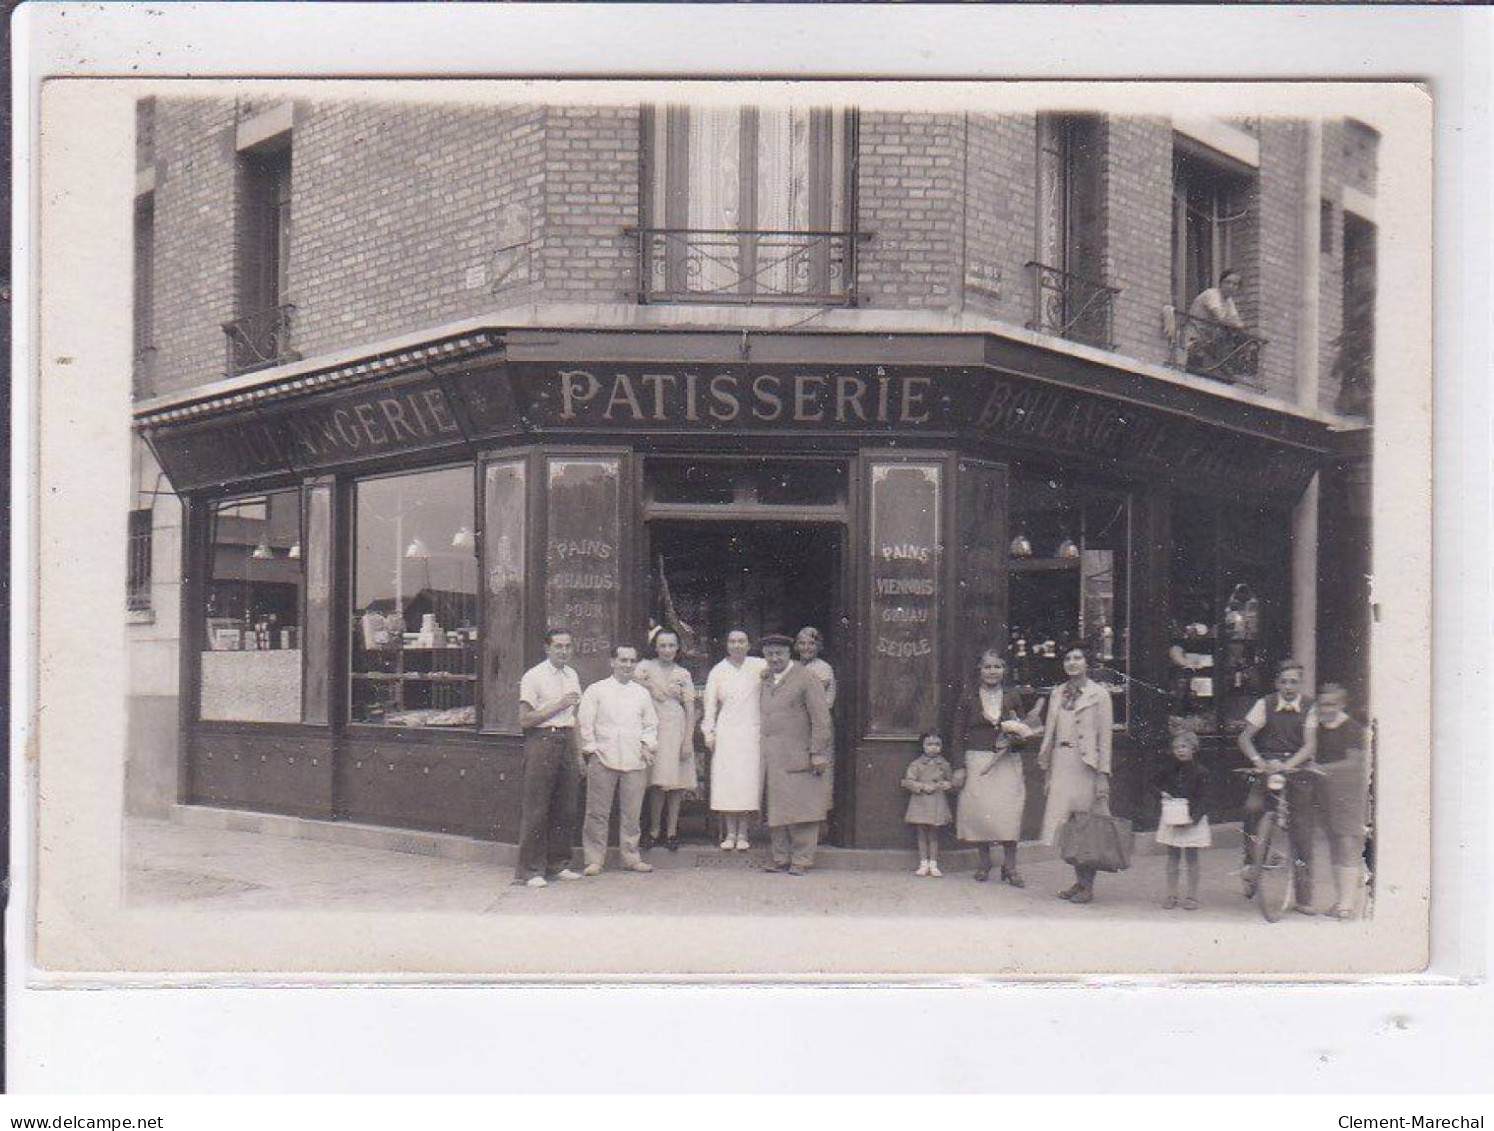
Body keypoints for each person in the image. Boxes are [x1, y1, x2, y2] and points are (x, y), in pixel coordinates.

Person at [951, 650, 1041, 886]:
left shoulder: (1012, 696)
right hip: (977, 759)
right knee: (980, 812)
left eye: (997, 667)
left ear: (1004, 670)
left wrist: (1016, 739)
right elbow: (957, 734)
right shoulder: (968, 696)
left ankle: (1010, 867)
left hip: (1007, 763)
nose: (992, 672)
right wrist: (959, 766)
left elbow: (1023, 731)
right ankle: (985, 862)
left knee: (1008, 813)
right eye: (987, 667)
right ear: (979, 670)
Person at [1238, 657, 1317, 914]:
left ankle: (1304, 898)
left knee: (1302, 829)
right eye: (1284, 681)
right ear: (1276, 683)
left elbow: (1310, 745)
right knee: (1252, 808)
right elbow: (1245, 737)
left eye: (1294, 682)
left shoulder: (1310, 706)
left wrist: (1289, 764)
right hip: (1268, 767)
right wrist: (1258, 761)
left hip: (1297, 768)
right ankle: (1251, 862)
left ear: (1301, 683)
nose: (1289, 687)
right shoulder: (1265, 704)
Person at [1039, 643, 1115, 905]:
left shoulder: (1099, 694)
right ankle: (1079, 881)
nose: (1072, 662)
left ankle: (1088, 886)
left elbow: (1105, 738)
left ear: (1087, 663)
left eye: (1078, 658)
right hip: (1061, 762)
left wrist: (1102, 774)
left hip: (1086, 766)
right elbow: (1051, 732)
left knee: (1086, 825)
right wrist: (1048, 771)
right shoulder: (1058, 693)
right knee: (1068, 826)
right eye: (1068, 658)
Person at [577, 643, 660, 877]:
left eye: (632, 661)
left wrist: (647, 744)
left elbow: (651, 725)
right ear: (612, 662)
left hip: (634, 760)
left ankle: (631, 858)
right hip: (603, 758)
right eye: (623, 660)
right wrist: (592, 751)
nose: (627, 665)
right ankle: (594, 860)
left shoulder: (641, 693)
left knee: (631, 813)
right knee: (597, 813)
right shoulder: (596, 690)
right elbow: (585, 724)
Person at [513, 628, 586, 888]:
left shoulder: (572, 675)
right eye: (558, 646)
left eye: (567, 646)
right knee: (537, 808)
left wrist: (578, 754)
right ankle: (531, 870)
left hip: (566, 739)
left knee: (566, 807)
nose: (564, 651)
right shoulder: (534, 676)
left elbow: (574, 718)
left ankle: (559, 863)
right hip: (542, 741)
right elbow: (525, 719)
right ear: (547, 648)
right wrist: (558, 704)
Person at [758, 632, 834, 875]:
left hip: (800, 755)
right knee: (777, 810)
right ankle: (780, 858)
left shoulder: (805, 677)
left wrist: (818, 752)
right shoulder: (767, 679)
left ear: (789, 653)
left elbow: (821, 717)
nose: (774, 658)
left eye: (779, 653)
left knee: (803, 810)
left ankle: (801, 860)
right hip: (773, 757)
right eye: (769, 654)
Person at [701, 629, 767, 851]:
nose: (737, 645)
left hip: (752, 731)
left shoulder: (759, 666)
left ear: (749, 645)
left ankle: (744, 833)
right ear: (727, 645)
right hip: (727, 732)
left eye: (742, 641)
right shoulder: (718, 671)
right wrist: (708, 732)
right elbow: (709, 706)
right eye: (733, 641)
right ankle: (730, 833)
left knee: (747, 783)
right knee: (728, 783)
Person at [1312, 683, 1371, 920]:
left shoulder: (1352, 728)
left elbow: (1354, 762)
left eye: (1331, 704)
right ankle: (1340, 901)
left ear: (1342, 705)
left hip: (1348, 792)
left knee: (1347, 844)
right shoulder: (1316, 729)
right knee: (1334, 845)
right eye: (1322, 704)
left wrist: (1319, 768)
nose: (1326, 709)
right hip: (1326, 792)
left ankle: (1347, 905)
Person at [637, 629, 697, 852]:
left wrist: (688, 740)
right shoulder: (645, 667)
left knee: (676, 784)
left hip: (676, 726)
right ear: (655, 647)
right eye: (662, 645)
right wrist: (651, 686)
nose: (667, 650)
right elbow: (630, 679)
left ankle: (671, 831)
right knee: (658, 783)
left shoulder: (683, 674)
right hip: (653, 726)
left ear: (677, 648)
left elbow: (690, 707)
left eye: (671, 645)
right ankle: (654, 831)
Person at [1152, 728, 1210, 911]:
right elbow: (1152, 783)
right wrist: (1162, 793)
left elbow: (1205, 798)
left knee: (1192, 858)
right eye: (1176, 747)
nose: (1180, 750)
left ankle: (1192, 896)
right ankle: (1171, 894)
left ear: (1193, 748)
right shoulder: (1167, 769)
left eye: (1184, 746)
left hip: (1193, 819)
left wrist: (1195, 818)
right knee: (1172, 856)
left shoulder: (1201, 771)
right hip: (1172, 817)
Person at [902, 730, 954, 877]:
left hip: (937, 800)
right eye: (929, 744)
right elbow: (908, 781)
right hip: (921, 801)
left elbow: (950, 780)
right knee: (921, 833)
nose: (934, 748)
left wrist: (945, 784)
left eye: (937, 744)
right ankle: (923, 863)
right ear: (923, 746)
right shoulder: (916, 764)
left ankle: (934, 864)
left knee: (934, 834)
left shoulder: (944, 764)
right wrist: (922, 786)